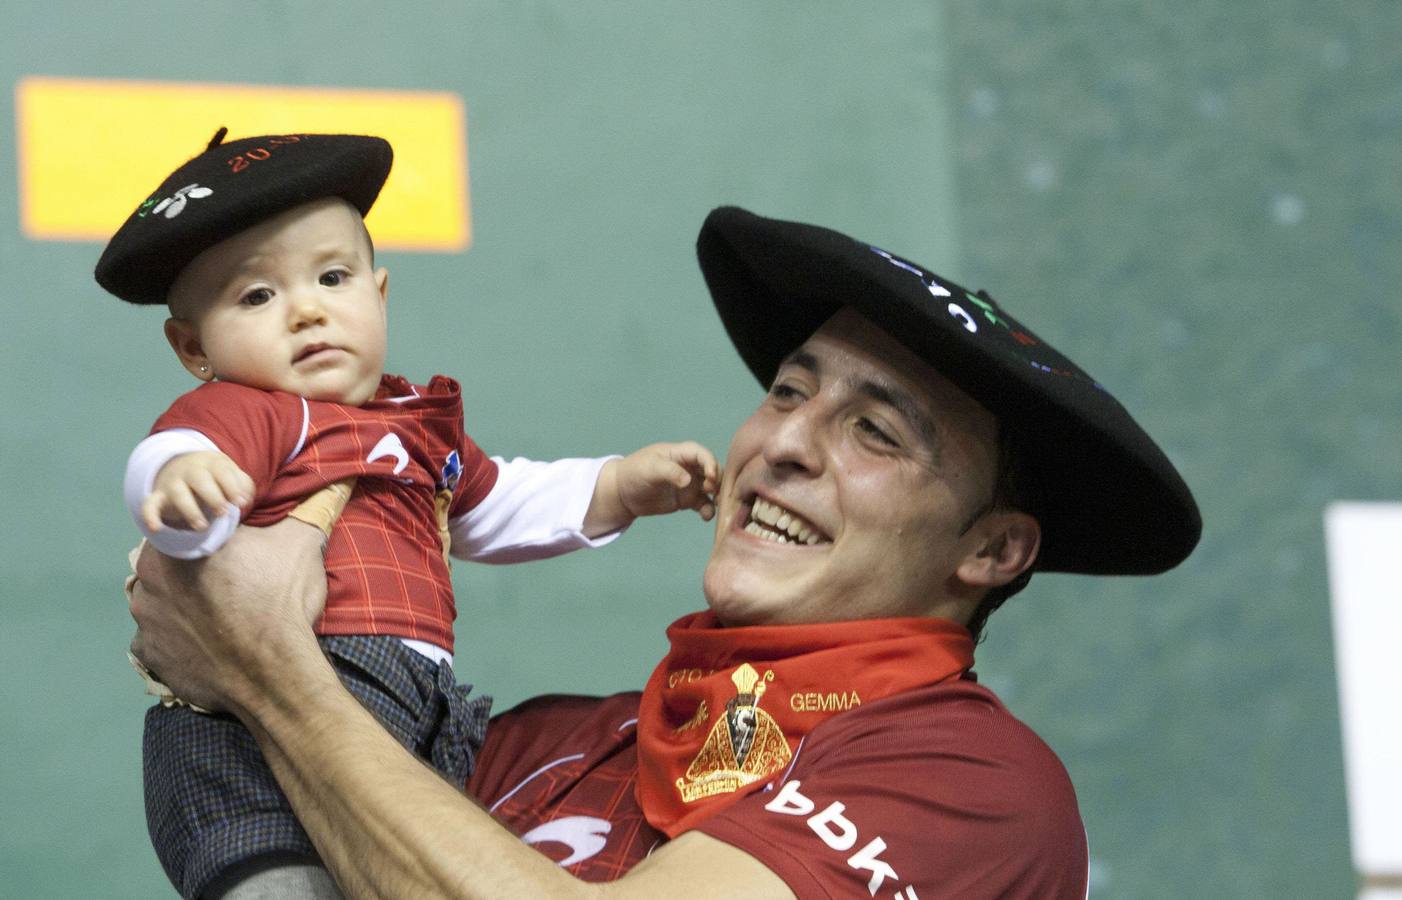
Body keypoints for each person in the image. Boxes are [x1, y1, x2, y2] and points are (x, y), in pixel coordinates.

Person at [128, 206, 1202, 898]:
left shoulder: (971, 782)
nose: (782, 444)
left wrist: (271, 668)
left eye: (873, 432)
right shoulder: (532, 747)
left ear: (992, 548)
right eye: (788, 391)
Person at [96, 130, 718, 899]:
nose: (305, 312)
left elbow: (496, 505)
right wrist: (182, 485)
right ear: (194, 348)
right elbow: (176, 452)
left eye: (332, 277)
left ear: (379, 293)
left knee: (402, 860)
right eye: (258, 296)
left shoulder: (417, 427)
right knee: (283, 882)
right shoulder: (252, 414)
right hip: (246, 738)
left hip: (415, 720)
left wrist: (618, 486)